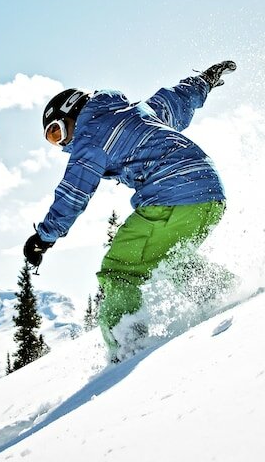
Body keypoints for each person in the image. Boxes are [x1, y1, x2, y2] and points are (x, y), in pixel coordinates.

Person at [23, 60, 237, 359]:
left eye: (57, 132)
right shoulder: (139, 112)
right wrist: (204, 81)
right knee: (170, 259)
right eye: (53, 139)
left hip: (172, 196)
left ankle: (127, 346)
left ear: (73, 112)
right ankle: (225, 294)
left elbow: (74, 191)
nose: (62, 144)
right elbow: (176, 99)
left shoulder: (90, 136)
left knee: (119, 270)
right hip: (210, 193)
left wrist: (44, 237)